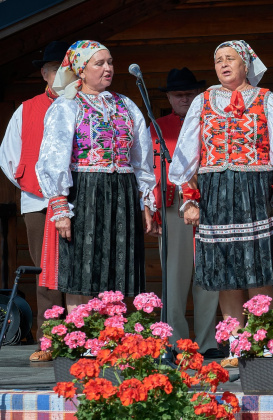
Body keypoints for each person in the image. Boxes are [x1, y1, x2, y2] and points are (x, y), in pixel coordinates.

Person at [168, 40, 273, 369]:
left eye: (230, 59)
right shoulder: (203, 101)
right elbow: (185, 153)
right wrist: (189, 200)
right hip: (215, 193)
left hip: (255, 190)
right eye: (218, 60)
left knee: (258, 270)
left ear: (246, 65)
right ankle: (238, 345)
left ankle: (264, 341)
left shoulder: (266, 100)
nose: (223, 65)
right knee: (226, 272)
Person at [36, 40, 157, 310]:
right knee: (83, 266)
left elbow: (141, 159)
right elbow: (53, 158)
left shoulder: (126, 105)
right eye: (99, 63)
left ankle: (115, 333)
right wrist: (60, 208)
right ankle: (84, 335)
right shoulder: (67, 106)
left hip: (123, 193)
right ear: (80, 69)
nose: (108, 68)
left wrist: (145, 202)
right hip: (85, 193)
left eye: (110, 62)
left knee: (120, 264)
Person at [0, 40, 69, 362]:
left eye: (67, 68)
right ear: (44, 73)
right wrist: (34, 187)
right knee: (47, 272)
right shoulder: (26, 109)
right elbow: (9, 157)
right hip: (37, 203)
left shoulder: (84, 106)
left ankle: (87, 338)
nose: (61, 74)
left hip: (78, 203)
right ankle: (50, 340)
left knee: (81, 269)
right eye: (56, 69)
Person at [151, 67, 222, 359]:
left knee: (209, 278)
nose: (184, 99)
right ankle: (176, 344)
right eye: (178, 94)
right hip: (172, 208)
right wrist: (153, 208)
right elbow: (149, 170)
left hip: (210, 206)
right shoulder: (156, 126)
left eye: (189, 94)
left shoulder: (214, 122)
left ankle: (207, 342)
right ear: (169, 97)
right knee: (174, 279)